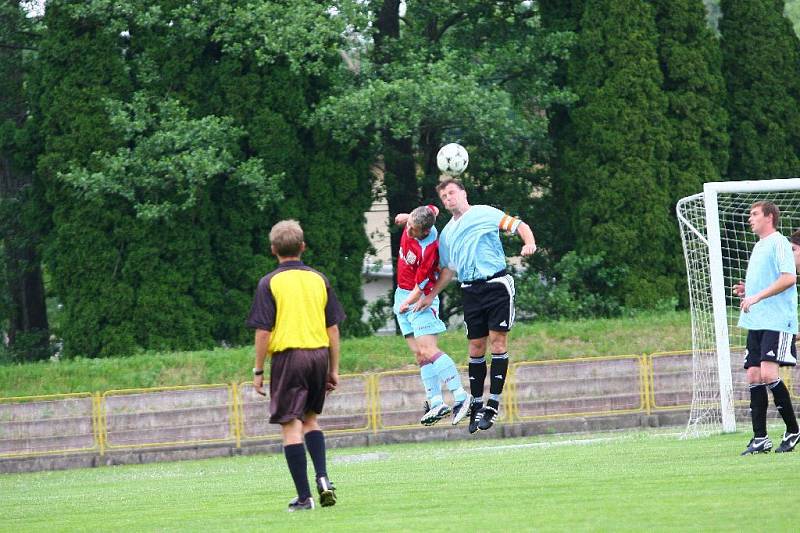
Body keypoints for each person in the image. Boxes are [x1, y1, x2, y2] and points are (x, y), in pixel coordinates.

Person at [415, 178, 536, 434]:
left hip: (496, 285)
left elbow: (518, 225)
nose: (449, 198)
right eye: (444, 196)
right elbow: (447, 270)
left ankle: (492, 404)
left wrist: (529, 242)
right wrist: (430, 294)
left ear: (463, 193)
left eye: (452, 193)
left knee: (498, 342)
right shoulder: (447, 233)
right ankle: (476, 404)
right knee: (475, 346)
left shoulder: (485, 213)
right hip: (470, 290)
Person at [246, 220, 346, 511]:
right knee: (311, 420)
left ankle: (305, 497)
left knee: (291, 426)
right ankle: (323, 477)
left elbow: (263, 331)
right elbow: (334, 329)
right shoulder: (318, 279)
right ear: (303, 247)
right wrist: (334, 368)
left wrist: (259, 370)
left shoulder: (270, 282)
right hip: (318, 355)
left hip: (289, 358)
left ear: (273, 249)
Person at [393, 205, 472, 426]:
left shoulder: (428, 249)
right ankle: (436, 401)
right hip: (401, 293)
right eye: (409, 226)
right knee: (420, 355)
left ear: (425, 232)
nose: (408, 232)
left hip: (419, 299)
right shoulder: (422, 217)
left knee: (429, 349)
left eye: (413, 230)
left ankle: (460, 396)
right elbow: (433, 208)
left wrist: (407, 304)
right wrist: (406, 216)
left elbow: (421, 285)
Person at [732, 202, 800, 455]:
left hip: (777, 320)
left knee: (769, 375)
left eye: (754, 214)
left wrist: (756, 297)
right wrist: (747, 291)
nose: (750, 218)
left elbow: (788, 278)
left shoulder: (779, 242)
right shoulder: (760, 245)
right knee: (753, 376)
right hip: (757, 320)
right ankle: (760, 438)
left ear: (769, 217)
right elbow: (768, 282)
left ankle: (793, 430)